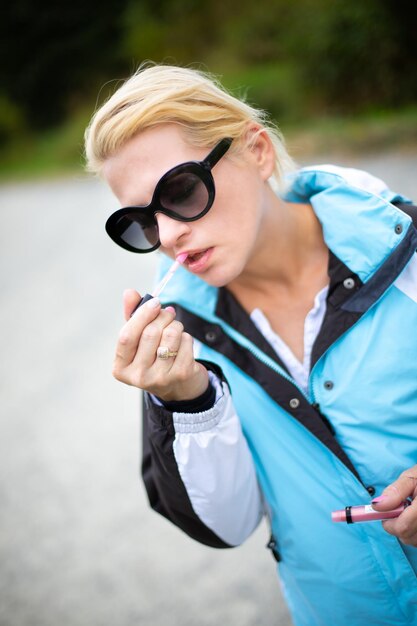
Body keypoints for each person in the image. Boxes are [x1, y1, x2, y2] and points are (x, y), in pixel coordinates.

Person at [84, 64, 417, 626]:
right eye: (140, 223)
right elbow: (226, 528)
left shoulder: (406, 253)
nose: (167, 236)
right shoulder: (181, 341)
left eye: (181, 190)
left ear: (257, 151)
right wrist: (188, 400)